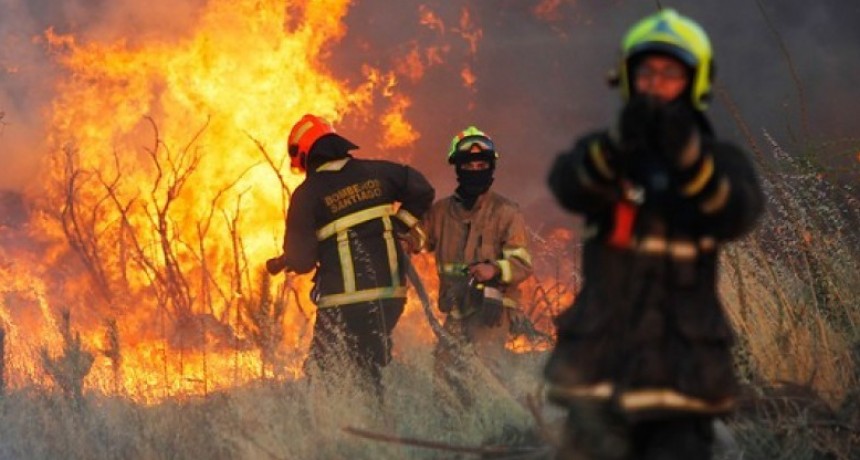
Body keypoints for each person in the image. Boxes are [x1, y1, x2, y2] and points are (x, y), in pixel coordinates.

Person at [543, 9, 764, 460]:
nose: (655, 85)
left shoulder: (719, 161)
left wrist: (688, 161)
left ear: (695, 82)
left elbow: (737, 212)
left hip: (680, 380)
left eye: (670, 74)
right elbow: (570, 185)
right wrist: (616, 148)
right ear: (627, 79)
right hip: (598, 374)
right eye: (645, 72)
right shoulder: (601, 153)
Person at [266, 114, 434, 400]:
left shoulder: (307, 195)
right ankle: (379, 423)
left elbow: (303, 260)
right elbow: (422, 190)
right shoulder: (378, 172)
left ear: (305, 154)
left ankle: (348, 431)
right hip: (391, 297)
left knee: (323, 374)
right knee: (366, 368)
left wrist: (292, 259)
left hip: (345, 303)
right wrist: (399, 225)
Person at [420, 125, 533, 407]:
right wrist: (398, 234)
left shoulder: (506, 212)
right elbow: (418, 239)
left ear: (491, 167)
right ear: (457, 168)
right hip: (456, 310)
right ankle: (454, 435)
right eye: (468, 164)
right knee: (444, 376)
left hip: (490, 311)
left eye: (482, 164)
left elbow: (521, 263)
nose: (475, 169)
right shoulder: (441, 212)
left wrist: (494, 269)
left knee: (486, 375)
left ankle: (497, 428)